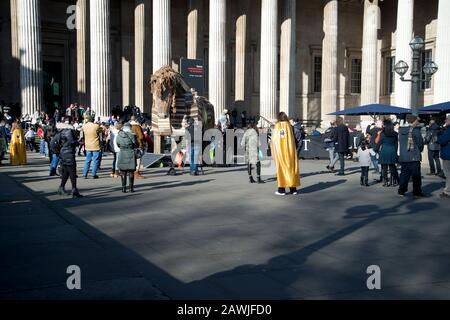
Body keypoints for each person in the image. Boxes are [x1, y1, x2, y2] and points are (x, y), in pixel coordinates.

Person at [271, 112, 300, 196]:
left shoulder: (278, 126)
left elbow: (275, 140)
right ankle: (293, 189)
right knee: (291, 168)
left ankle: (281, 189)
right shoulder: (290, 126)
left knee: (281, 169)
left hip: (281, 151)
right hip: (290, 151)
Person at [398, 115, 426, 198]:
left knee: (404, 175)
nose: (417, 122)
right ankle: (417, 192)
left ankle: (401, 191)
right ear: (413, 121)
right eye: (416, 121)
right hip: (414, 156)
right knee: (416, 176)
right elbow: (420, 143)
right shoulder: (416, 130)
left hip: (404, 156)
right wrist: (419, 150)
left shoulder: (401, 130)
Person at [55, 121, 83, 198]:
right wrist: (78, 143)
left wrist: (58, 151)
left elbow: (55, 142)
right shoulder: (69, 132)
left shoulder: (60, 132)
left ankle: (61, 188)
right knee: (72, 172)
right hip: (69, 154)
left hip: (63, 153)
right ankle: (74, 190)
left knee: (66, 172)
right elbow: (71, 142)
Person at [374, 120, 399, 187]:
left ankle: (386, 182)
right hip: (392, 151)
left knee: (384, 168)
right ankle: (393, 181)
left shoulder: (383, 133)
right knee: (392, 167)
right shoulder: (395, 134)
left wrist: (376, 149)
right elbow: (396, 144)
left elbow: (379, 143)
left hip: (384, 151)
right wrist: (395, 152)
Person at [116, 123, 138, 193]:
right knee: (131, 171)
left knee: (123, 172)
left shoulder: (119, 135)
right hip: (130, 153)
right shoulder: (132, 135)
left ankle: (123, 188)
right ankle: (131, 188)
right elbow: (135, 144)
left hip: (122, 153)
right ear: (130, 127)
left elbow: (118, 144)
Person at [241, 119, 264, 184]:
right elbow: (259, 143)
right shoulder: (254, 132)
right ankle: (258, 178)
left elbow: (242, 144)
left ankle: (250, 178)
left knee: (249, 163)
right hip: (254, 150)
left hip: (248, 150)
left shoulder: (246, 132)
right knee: (258, 163)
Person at [81, 115, 102, 179]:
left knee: (87, 160)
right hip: (95, 145)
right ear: (93, 120)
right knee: (95, 160)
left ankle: (85, 174)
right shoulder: (96, 126)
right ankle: (93, 174)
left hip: (87, 145)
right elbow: (101, 131)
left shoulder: (84, 126)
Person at [437, 114, 450, 199]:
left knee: (448, 173)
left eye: (447, 119)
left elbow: (442, 140)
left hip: (448, 154)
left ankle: (447, 191)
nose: (445, 121)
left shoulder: (449, 130)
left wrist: (439, 136)